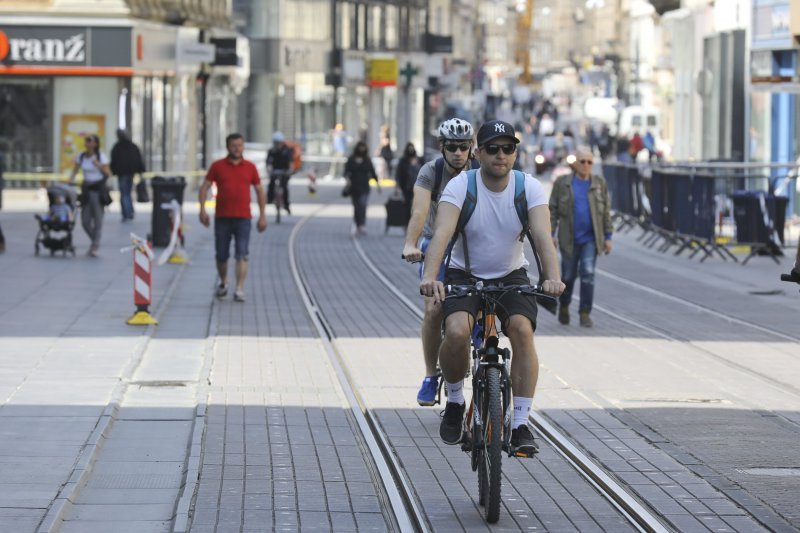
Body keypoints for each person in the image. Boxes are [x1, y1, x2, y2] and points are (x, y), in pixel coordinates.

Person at [419, 120, 564, 453]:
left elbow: (542, 236)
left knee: (522, 331)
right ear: (478, 152)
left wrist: (552, 277)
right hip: (465, 274)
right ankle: (455, 401)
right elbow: (441, 235)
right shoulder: (461, 187)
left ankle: (521, 424)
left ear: (515, 153)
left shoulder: (528, 187)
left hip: (511, 275)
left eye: (509, 148)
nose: (502, 155)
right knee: (455, 331)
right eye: (494, 149)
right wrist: (431, 276)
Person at [402, 118, 477, 406]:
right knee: (434, 309)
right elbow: (419, 212)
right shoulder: (431, 172)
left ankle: (484, 354)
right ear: (442, 148)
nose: (459, 153)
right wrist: (411, 243)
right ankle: (431, 374)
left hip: (475, 246)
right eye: (452, 147)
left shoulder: (481, 171)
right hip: (439, 246)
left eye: (464, 146)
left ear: (472, 148)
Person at [548, 147, 613, 328]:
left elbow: (606, 212)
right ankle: (565, 305)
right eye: (582, 161)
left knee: (588, 274)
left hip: (590, 240)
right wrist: (550, 234)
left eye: (589, 162)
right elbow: (552, 210)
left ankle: (585, 312)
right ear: (575, 163)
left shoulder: (599, 184)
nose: (586, 165)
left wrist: (608, 236)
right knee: (567, 277)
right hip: (568, 239)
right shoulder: (563, 183)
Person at [198, 133, 267, 303]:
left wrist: (262, 216)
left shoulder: (250, 167)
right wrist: (202, 210)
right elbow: (205, 187)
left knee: (242, 254)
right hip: (223, 218)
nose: (237, 149)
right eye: (234, 146)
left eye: (240, 145)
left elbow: (259, 191)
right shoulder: (217, 166)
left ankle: (239, 288)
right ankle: (224, 282)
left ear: (243, 147)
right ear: (228, 147)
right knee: (221, 255)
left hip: (243, 218)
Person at [69, 134, 111, 257]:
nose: (87, 143)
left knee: (98, 219)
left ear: (95, 144)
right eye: (86, 141)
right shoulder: (82, 156)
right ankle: (95, 241)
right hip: (86, 190)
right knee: (85, 221)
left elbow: (108, 173)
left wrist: (99, 165)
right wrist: (69, 180)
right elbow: (75, 170)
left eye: (90, 141)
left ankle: (95, 245)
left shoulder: (100, 156)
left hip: (98, 190)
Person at [344, 141, 380, 236]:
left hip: (364, 187)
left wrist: (378, 184)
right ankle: (357, 224)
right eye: (360, 147)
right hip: (354, 187)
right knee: (356, 206)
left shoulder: (367, 160)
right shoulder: (351, 159)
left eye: (363, 147)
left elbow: (372, 172)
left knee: (363, 205)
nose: (362, 149)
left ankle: (362, 225)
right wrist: (347, 179)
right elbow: (346, 171)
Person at [110, 129, 145, 222]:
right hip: (130, 173)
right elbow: (138, 160)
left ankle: (127, 212)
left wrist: (114, 171)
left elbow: (114, 161)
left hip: (123, 174)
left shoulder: (117, 147)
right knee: (127, 193)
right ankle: (129, 211)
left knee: (124, 193)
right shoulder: (132, 146)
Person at [266, 131, 294, 215]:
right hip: (275, 171)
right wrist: (269, 170)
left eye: (278, 143)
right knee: (271, 184)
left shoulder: (287, 150)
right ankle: (270, 199)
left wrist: (290, 170)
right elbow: (268, 163)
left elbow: (290, 163)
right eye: (275, 143)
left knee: (284, 187)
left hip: (285, 171)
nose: (277, 144)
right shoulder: (271, 151)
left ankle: (286, 204)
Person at [394, 143, 422, 223]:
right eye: (409, 149)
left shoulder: (419, 160)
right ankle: (408, 224)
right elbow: (398, 174)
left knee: (418, 207)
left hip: (419, 187)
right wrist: (397, 187)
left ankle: (417, 225)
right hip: (406, 187)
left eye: (412, 148)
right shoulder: (403, 161)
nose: (411, 150)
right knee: (408, 207)